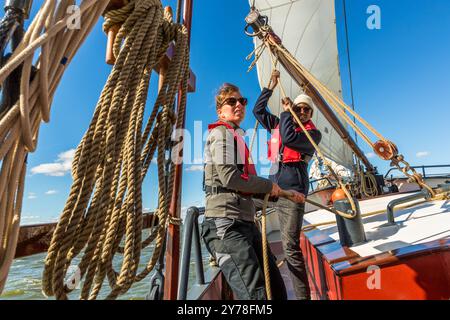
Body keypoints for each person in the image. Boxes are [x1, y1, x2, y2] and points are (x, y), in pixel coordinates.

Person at [201, 82, 305, 300]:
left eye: (242, 101)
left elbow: (246, 184)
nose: (239, 104)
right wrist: (269, 186)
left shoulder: (237, 136)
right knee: (257, 296)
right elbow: (230, 178)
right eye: (231, 101)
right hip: (226, 225)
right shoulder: (221, 134)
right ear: (220, 111)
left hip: (246, 222)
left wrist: (285, 194)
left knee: (275, 286)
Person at [253, 70, 322, 300]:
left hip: (293, 194)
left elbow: (290, 139)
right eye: (298, 108)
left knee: (290, 248)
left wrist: (286, 113)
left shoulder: (313, 134)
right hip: (274, 190)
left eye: (306, 109)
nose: (302, 111)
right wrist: (270, 87)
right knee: (243, 204)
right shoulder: (282, 123)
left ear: (310, 113)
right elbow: (257, 111)